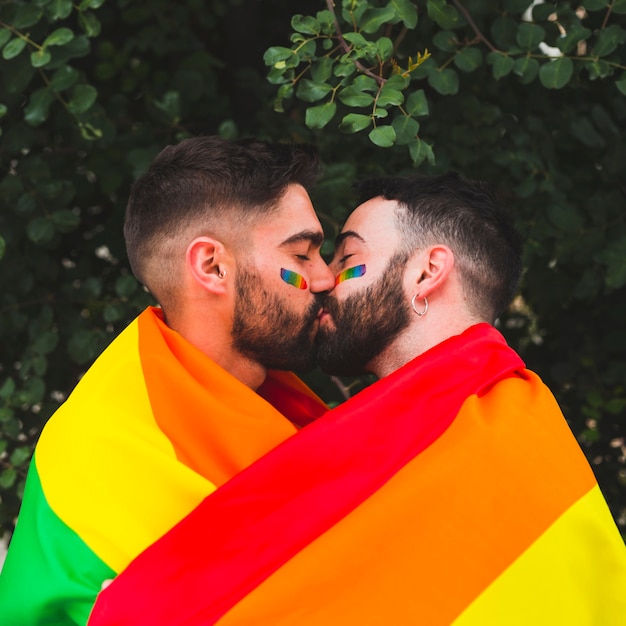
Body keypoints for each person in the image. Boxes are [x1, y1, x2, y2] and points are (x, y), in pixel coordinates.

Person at [84, 172, 626, 625]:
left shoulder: (508, 436)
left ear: (426, 273)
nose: (323, 281)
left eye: (347, 259)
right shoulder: (400, 434)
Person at [0, 135, 336, 624]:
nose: (325, 278)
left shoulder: (275, 396)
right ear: (213, 266)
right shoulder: (105, 445)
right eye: (302, 255)